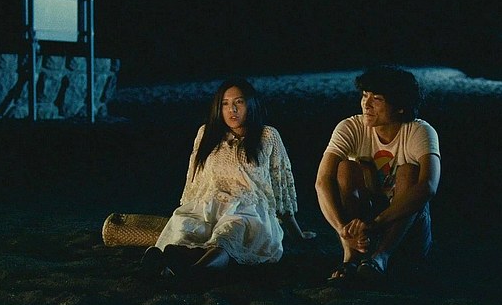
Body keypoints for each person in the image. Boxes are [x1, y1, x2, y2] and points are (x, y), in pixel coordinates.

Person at [140, 77, 311, 281]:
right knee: (185, 232)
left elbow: (280, 187)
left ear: (251, 104)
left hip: (248, 212)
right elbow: (195, 182)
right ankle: (167, 264)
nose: (232, 110)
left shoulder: (267, 136)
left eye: (239, 102)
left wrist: (297, 233)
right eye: (225, 104)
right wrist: (188, 213)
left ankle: (192, 275)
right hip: (207, 207)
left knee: (226, 237)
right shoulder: (206, 133)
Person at [315, 65, 441, 286]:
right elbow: (322, 181)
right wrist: (342, 229)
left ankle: (380, 257)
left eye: (377, 99)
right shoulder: (351, 127)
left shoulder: (419, 131)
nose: (367, 104)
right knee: (346, 168)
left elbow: (428, 186)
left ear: (400, 107)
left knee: (409, 171)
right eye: (365, 95)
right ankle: (351, 257)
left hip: (406, 229)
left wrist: (376, 223)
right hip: (363, 230)